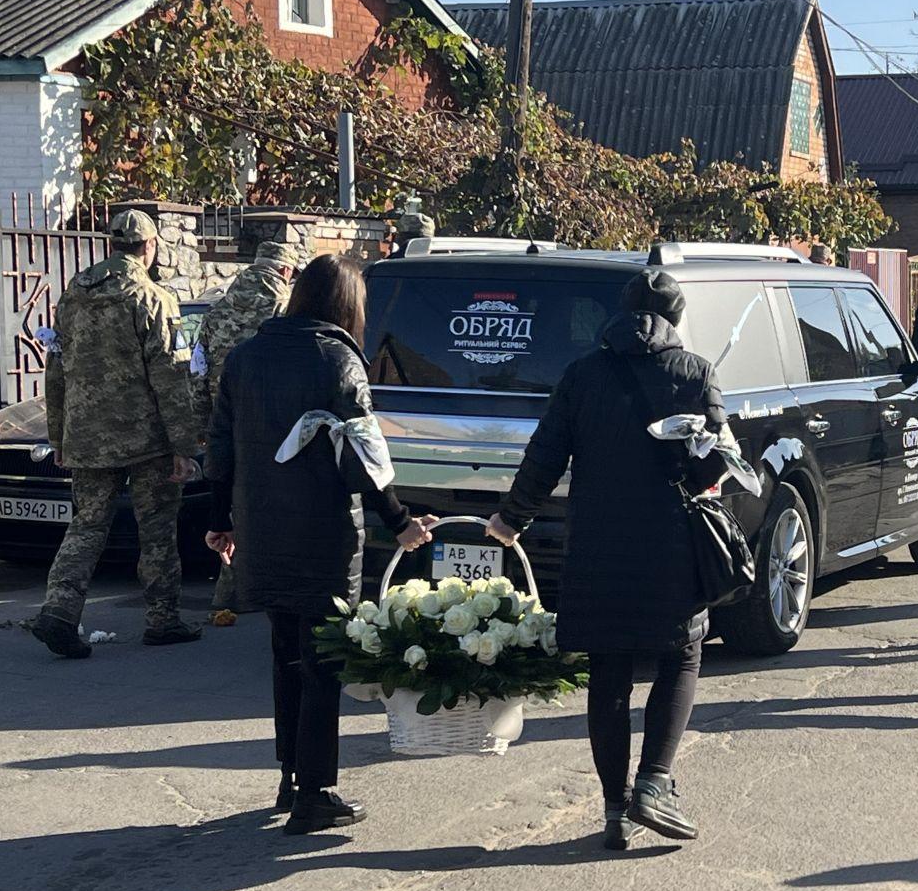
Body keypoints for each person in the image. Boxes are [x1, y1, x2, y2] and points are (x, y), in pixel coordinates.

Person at [487, 269, 733, 841]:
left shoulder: (581, 374)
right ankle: (654, 781)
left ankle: (614, 810)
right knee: (682, 656)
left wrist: (511, 518)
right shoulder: (696, 373)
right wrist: (701, 450)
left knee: (610, 672)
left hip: (595, 543)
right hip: (669, 543)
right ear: (676, 316)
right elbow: (714, 464)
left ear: (617, 314)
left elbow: (544, 455)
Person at [206, 256, 430, 834]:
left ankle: (290, 775)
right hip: (323, 533)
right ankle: (315, 794)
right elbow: (364, 457)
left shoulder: (245, 357)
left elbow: (220, 445)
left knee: (285, 654)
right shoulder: (338, 361)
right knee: (324, 659)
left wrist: (219, 520)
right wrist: (400, 520)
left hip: (261, 525)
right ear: (347, 307)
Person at [29, 210, 206, 660]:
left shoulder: (73, 295)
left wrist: (59, 437)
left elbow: (55, 368)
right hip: (145, 440)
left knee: (86, 526)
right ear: (149, 247)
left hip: (86, 437)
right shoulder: (152, 298)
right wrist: (184, 446)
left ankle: (60, 610)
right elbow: (170, 376)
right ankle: (163, 620)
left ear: (111, 246)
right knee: (158, 529)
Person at [192, 240, 300, 627]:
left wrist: (203, 425)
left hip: (224, 423)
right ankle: (265, 592)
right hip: (270, 426)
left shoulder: (217, 310)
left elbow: (198, 370)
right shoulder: (285, 308)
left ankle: (228, 594)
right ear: (285, 270)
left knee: (231, 506)